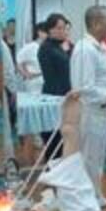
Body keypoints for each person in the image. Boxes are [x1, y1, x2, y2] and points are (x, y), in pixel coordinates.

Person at [71, 5, 106, 207]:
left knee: (97, 156)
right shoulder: (85, 49)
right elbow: (83, 88)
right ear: (95, 23)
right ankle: (86, 197)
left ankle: (94, 194)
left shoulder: (101, 47)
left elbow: (103, 80)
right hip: (89, 111)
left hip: (102, 110)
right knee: (88, 156)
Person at [38, 13, 72, 160]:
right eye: (58, 28)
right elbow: (56, 74)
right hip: (54, 97)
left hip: (65, 95)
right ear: (49, 29)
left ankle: (60, 167)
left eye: (64, 28)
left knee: (63, 139)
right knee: (53, 139)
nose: (62, 31)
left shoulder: (62, 46)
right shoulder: (47, 48)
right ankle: (52, 168)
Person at [16, 22, 47, 95]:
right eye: (46, 32)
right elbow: (18, 61)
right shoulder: (31, 47)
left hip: (45, 81)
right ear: (39, 32)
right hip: (34, 82)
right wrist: (25, 73)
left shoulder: (47, 47)